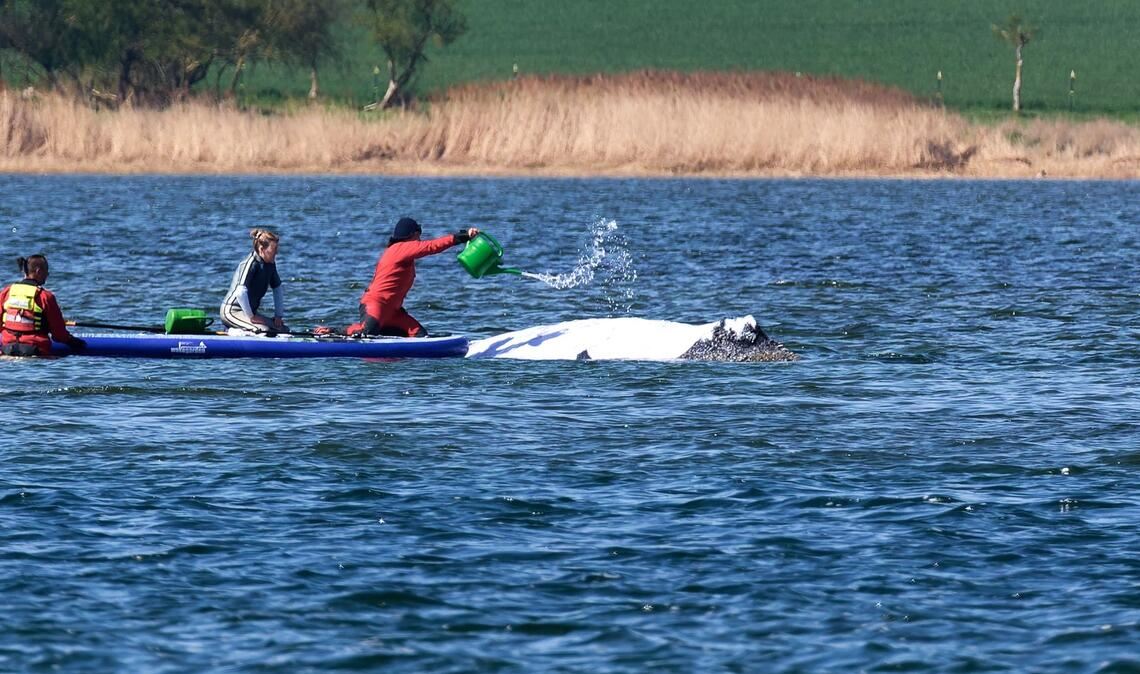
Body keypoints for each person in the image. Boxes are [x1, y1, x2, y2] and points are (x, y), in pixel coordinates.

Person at [344, 217, 478, 337]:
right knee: (367, 333)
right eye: (418, 235)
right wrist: (463, 236)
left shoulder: (402, 252)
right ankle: (335, 332)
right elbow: (431, 246)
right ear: (412, 234)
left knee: (420, 335)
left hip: (393, 312)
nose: (420, 240)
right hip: (375, 304)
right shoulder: (400, 248)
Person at [1, 254, 86, 356]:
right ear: (38, 271)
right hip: (36, 352)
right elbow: (59, 335)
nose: (48, 274)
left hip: (7, 350)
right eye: (46, 271)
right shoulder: (45, 296)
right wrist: (75, 342)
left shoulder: (7, 292)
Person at [220, 228, 289, 334]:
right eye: (274, 250)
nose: (276, 253)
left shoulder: (270, 264)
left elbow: (277, 288)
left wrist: (278, 316)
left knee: (283, 330)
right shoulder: (250, 263)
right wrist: (251, 316)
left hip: (249, 314)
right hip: (232, 311)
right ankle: (231, 332)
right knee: (262, 330)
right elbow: (240, 292)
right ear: (262, 249)